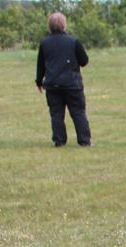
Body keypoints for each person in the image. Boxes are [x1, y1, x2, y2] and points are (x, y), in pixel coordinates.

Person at [36, 13, 92, 147]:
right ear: (64, 25)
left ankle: (59, 140)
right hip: (72, 83)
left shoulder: (44, 43)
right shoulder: (74, 42)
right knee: (78, 112)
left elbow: (41, 65)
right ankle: (84, 140)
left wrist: (39, 81)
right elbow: (84, 61)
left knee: (56, 114)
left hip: (52, 84)